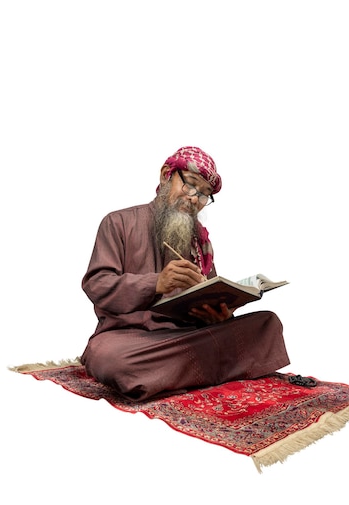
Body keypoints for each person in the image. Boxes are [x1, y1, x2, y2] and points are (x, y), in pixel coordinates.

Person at [81, 146, 290, 401]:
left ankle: (165, 377)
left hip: (188, 337)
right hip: (129, 340)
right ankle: (208, 369)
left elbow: (210, 291)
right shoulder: (118, 223)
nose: (194, 199)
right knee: (110, 359)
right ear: (167, 175)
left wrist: (219, 316)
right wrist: (156, 283)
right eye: (191, 185)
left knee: (268, 324)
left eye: (204, 195)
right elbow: (98, 285)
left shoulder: (199, 242)